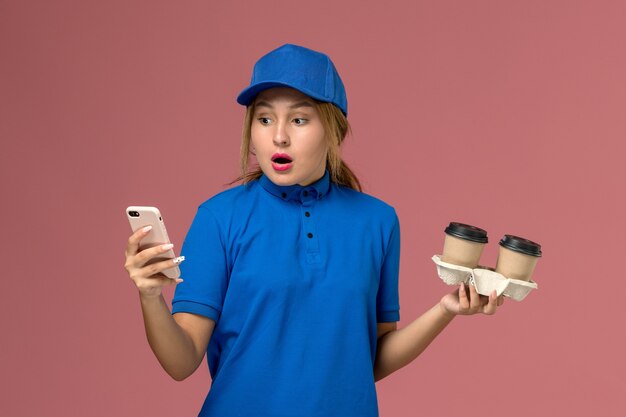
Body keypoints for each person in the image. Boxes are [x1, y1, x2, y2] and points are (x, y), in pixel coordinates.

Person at [124, 44, 504, 417]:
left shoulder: (378, 222)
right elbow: (181, 361)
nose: (279, 136)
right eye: (265, 118)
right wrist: (150, 296)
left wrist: (445, 310)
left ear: (334, 130)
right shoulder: (218, 218)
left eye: (299, 120)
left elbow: (368, 359)